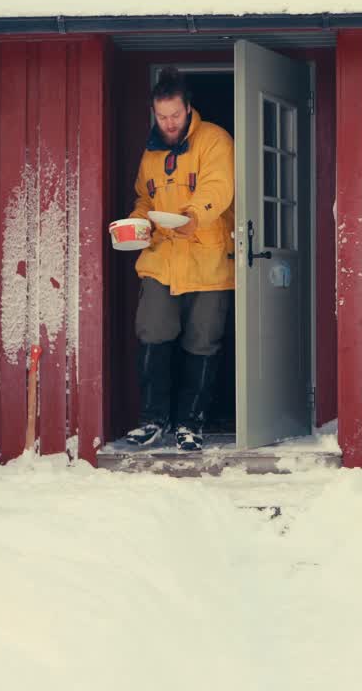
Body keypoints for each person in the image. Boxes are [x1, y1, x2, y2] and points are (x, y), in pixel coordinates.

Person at [122, 67, 234, 451]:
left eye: (175, 115)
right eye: (162, 116)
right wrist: (136, 224)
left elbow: (218, 188)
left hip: (207, 258)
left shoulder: (215, 140)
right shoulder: (151, 153)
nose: (169, 123)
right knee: (153, 333)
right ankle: (153, 420)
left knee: (203, 341)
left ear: (189, 108)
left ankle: (191, 423)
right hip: (162, 260)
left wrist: (194, 215)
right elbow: (144, 198)